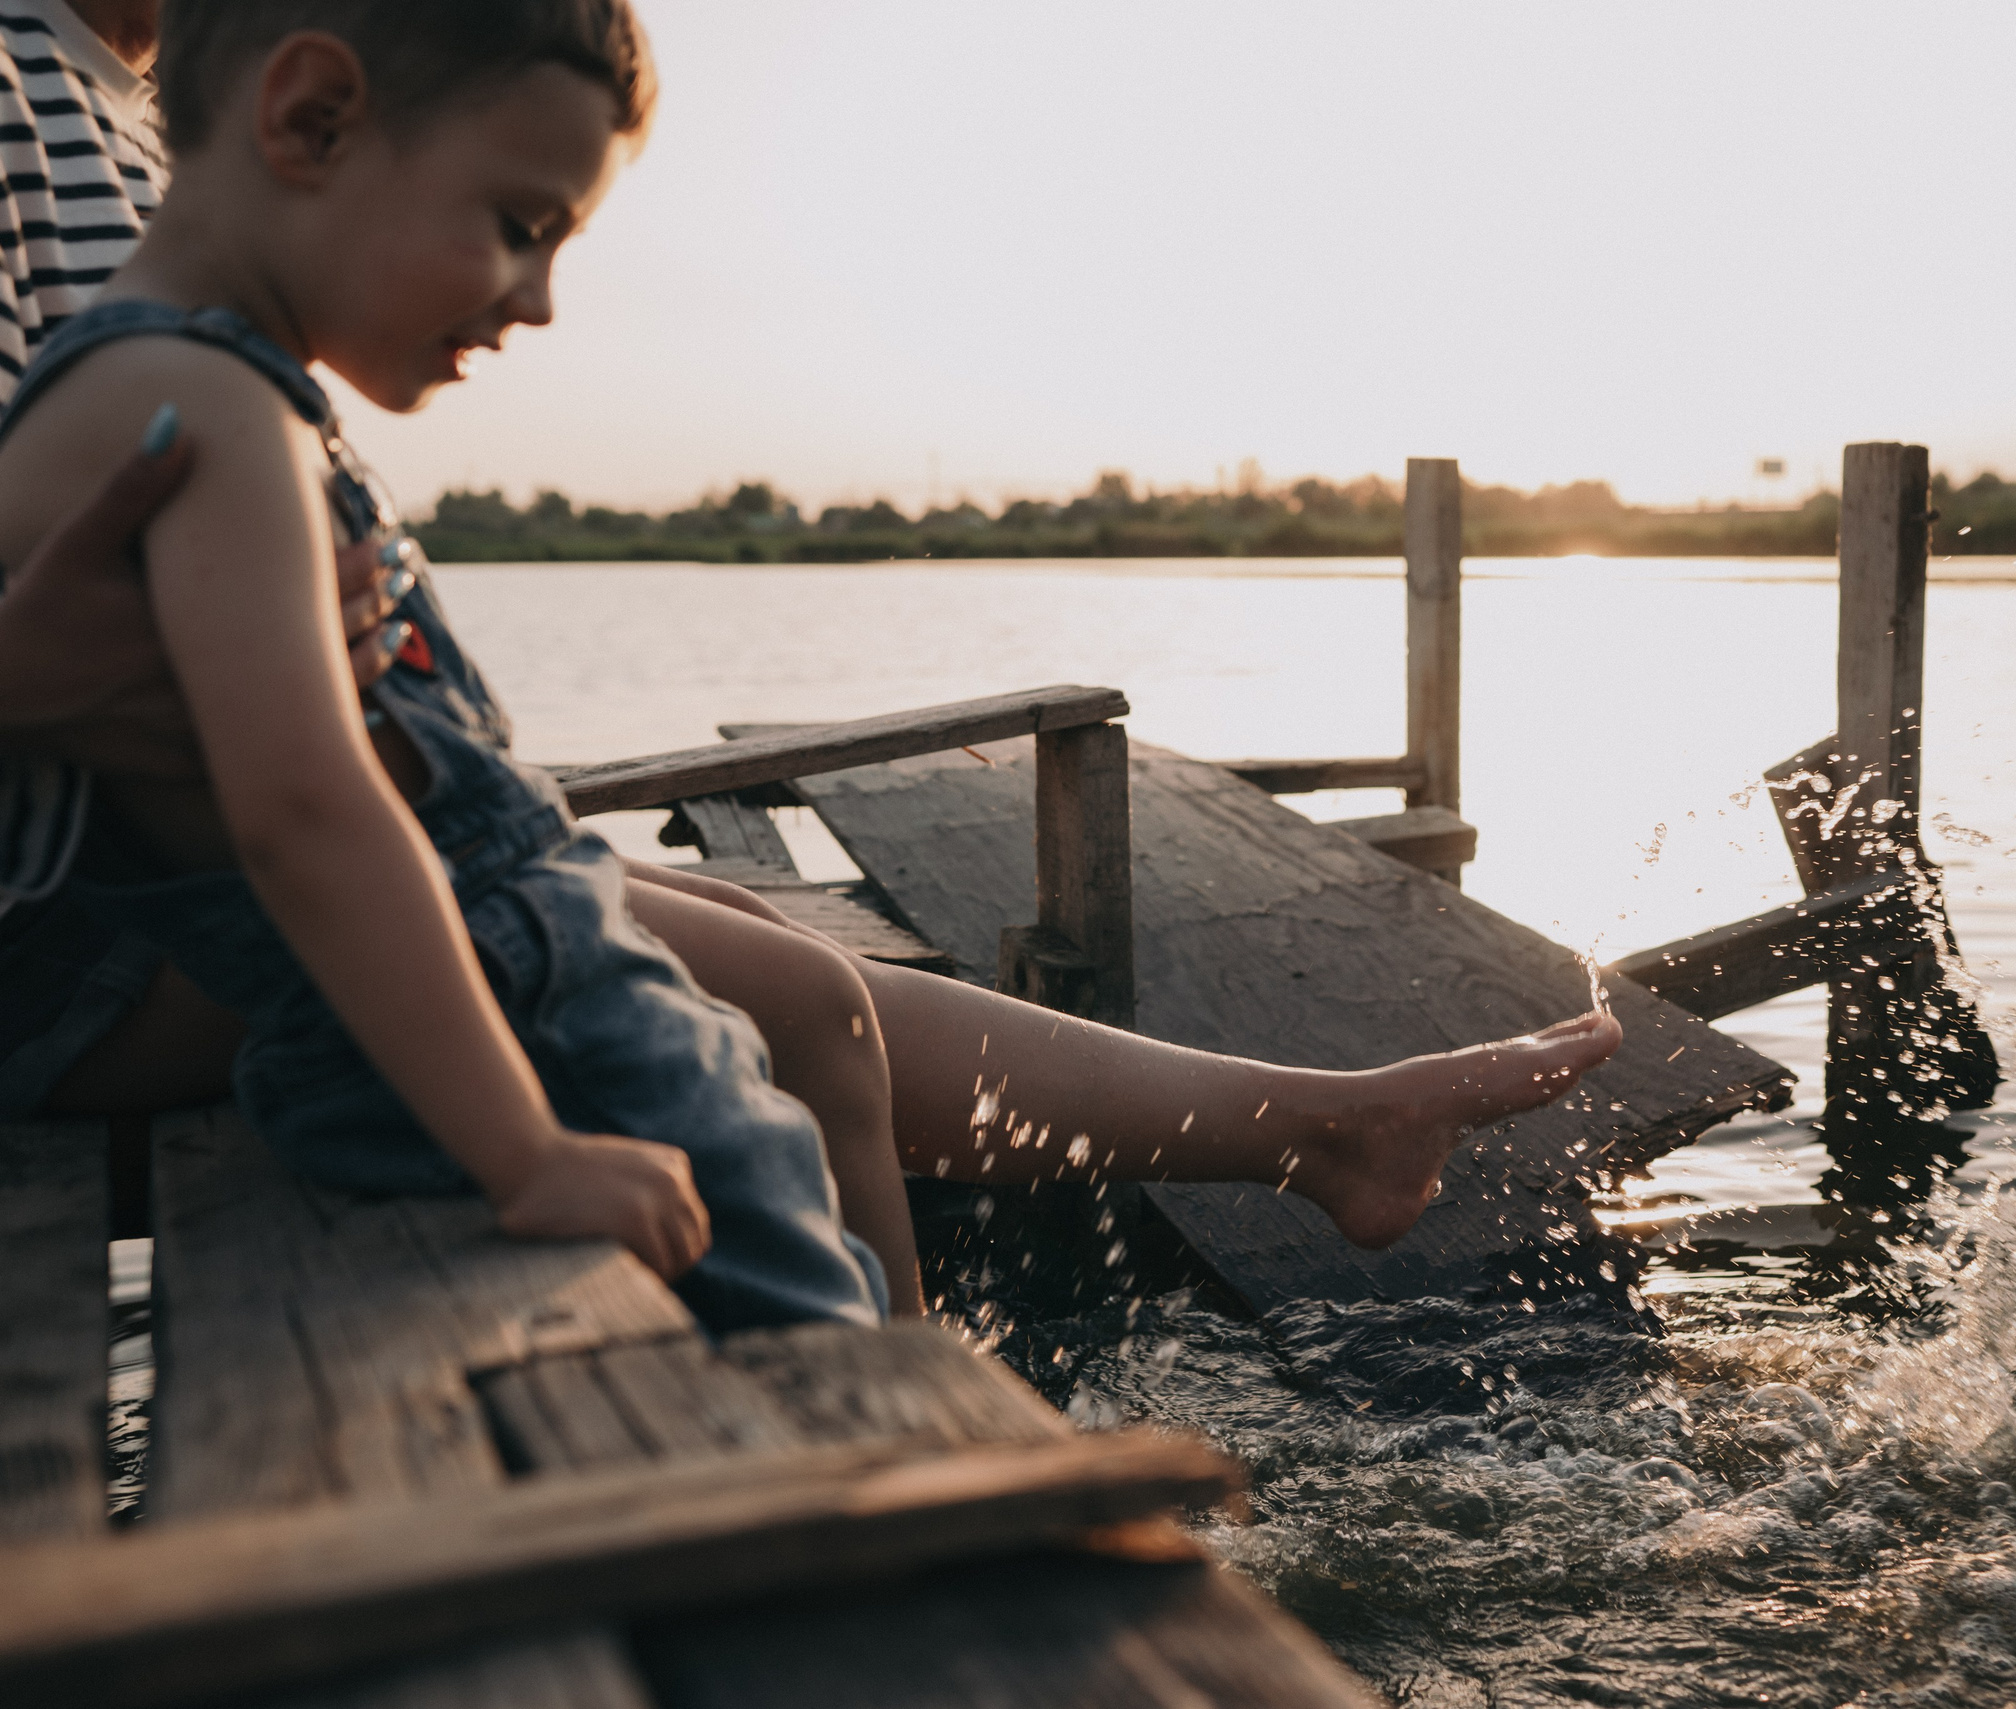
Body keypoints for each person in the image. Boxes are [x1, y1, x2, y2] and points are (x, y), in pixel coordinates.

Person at [0, 0, 1623, 1324]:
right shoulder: (200, 382)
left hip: (293, 898)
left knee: (779, 971)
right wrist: (524, 1147)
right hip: (136, 948)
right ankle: (906, 1448)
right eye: (518, 228)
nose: (541, 302)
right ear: (307, 122)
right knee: (782, 1074)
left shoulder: (191, 302)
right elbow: (309, 813)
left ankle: (1157, 1249)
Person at [0, 0, 405, 1115]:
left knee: (771, 954)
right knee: (795, 1012)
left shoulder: (164, 133)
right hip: (60, 930)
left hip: (183, 870)